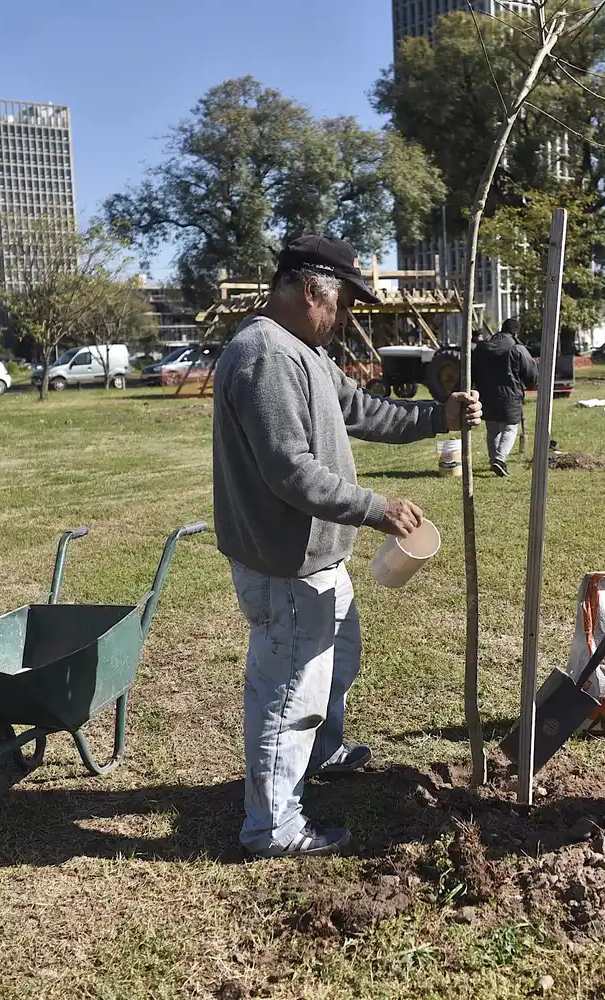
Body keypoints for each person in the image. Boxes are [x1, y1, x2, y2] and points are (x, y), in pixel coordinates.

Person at [213, 234, 483, 858]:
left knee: (335, 665)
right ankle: (272, 826)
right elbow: (291, 473)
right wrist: (378, 509)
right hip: (286, 565)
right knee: (288, 694)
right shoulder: (267, 357)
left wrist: (435, 418)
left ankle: (323, 751)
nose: (348, 318)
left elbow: (361, 410)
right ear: (311, 292)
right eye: (343, 305)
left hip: (316, 559)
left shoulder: (302, 351)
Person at [471, 318, 538, 476]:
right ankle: (499, 460)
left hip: (486, 394)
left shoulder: (483, 346)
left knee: (492, 429)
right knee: (510, 428)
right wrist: (533, 382)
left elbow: (472, 369)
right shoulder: (516, 347)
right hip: (510, 394)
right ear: (516, 331)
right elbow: (530, 372)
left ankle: (494, 459)